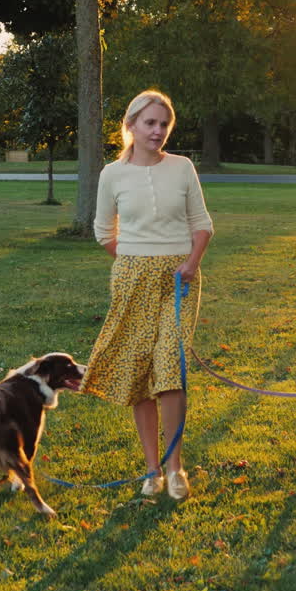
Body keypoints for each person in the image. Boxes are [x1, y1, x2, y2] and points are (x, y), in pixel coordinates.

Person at [81, 89, 214, 500]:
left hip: (179, 279)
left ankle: (176, 468)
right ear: (131, 126)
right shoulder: (112, 174)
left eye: (163, 124)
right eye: (150, 123)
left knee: (169, 369)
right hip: (131, 278)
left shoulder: (182, 167)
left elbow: (202, 224)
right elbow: (103, 231)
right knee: (140, 372)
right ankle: (152, 469)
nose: (157, 131)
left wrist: (190, 263)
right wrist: (135, 259)